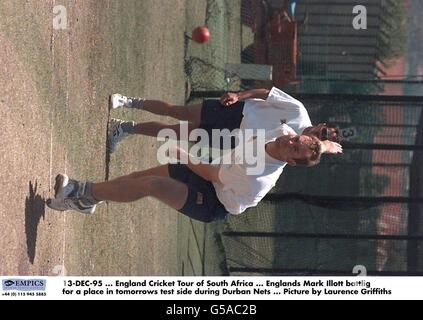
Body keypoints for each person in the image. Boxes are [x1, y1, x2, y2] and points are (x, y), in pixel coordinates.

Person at [46, 124, 337, 223]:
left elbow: (212, 174)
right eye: (298, 140)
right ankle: (87, 200)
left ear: (292, 162)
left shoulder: (259, 174)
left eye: (296, 148)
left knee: (152, 184)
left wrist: (185, 156)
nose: (292, 142)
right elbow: (307, 143)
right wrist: (322, 144)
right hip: (217, 172)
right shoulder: (285, 133)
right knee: (139, 177)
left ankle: (77, 192)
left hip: (216, 201)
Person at [107, 87, 340, 154]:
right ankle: (127, 101)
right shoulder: (298, 110)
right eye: (323, 132)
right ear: (322, 125)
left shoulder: (298, 147)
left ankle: (124, 128)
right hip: (235, 113)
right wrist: (239, 96)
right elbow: (266, 92)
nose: (319, 136)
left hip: (234, 139)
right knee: (176, 111)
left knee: (173, 132)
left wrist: (327, 148)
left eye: (321, 140)